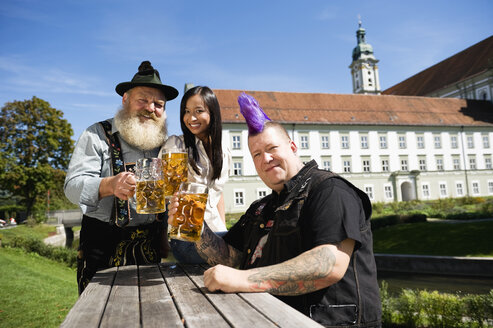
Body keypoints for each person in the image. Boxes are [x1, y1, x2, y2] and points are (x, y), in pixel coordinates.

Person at [167, 94, 382, 327]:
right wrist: (197, 227)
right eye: (257, 155)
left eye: (271, 148)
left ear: (292, 146)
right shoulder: (261, 208)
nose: (266, 159)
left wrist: (242, 278)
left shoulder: (328, 190)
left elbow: (328, 265)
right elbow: (228, 256)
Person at [64, 61, 178, 294]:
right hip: (102, 245)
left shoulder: (165, 143)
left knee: (151, 310)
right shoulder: (97, 133)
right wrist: (108, 184)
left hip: (150, 245)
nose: (150, 108)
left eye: (158, 104)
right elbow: (71, 187)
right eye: (143, 100)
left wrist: (164, 235)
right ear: (125, 99)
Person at [162, 86, 231, 263]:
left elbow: (217, 194)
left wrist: (221, 229)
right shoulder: (176, 146)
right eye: (186, 111)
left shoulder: (222, 150)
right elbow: (167, 193)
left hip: (215, 231)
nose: (191, 118)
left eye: (198, 111)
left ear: (213, 112)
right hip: (186, 234)